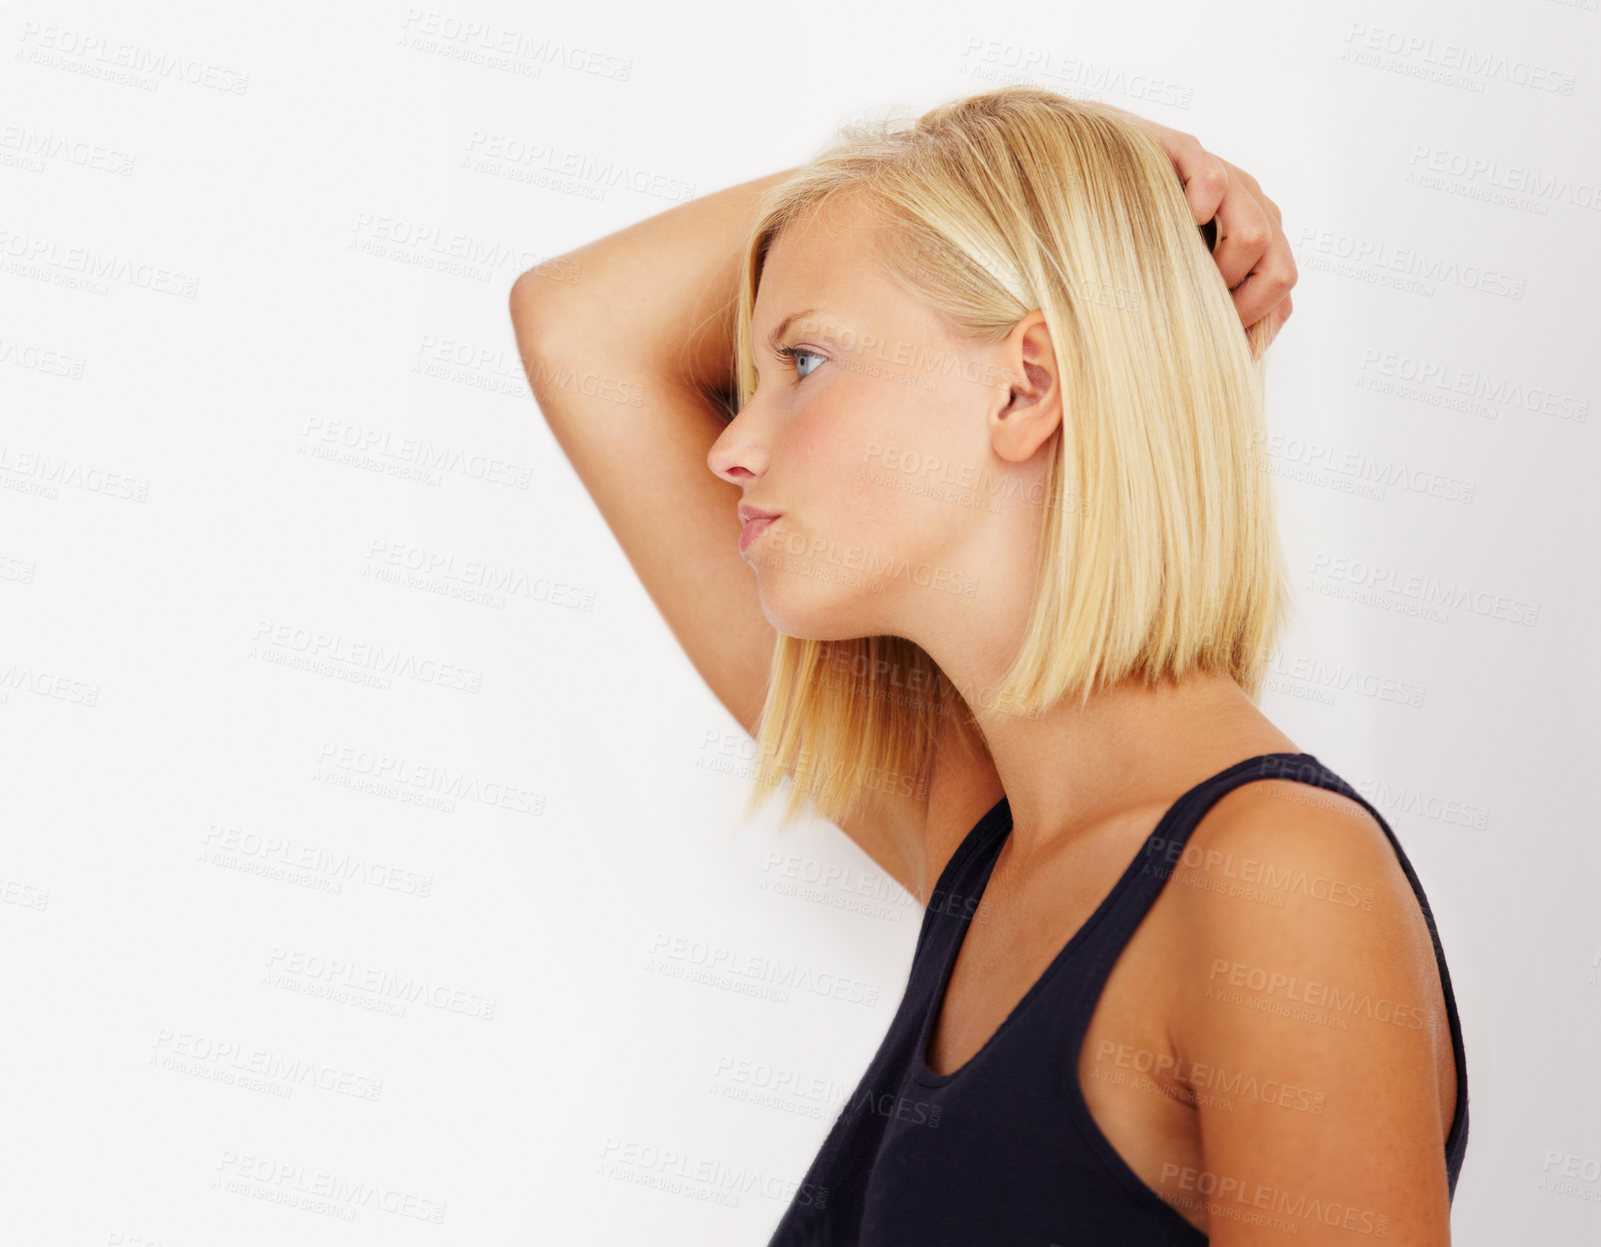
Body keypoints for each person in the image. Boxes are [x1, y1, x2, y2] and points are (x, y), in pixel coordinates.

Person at [510, 85, 1467, 1245]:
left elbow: (583, 331)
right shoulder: (995, 842)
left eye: (803, 360)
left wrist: (1063, 198)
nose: (731, 442)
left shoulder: (1274, 884)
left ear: (1025, 383)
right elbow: (573, 324)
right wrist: (1050, 187)